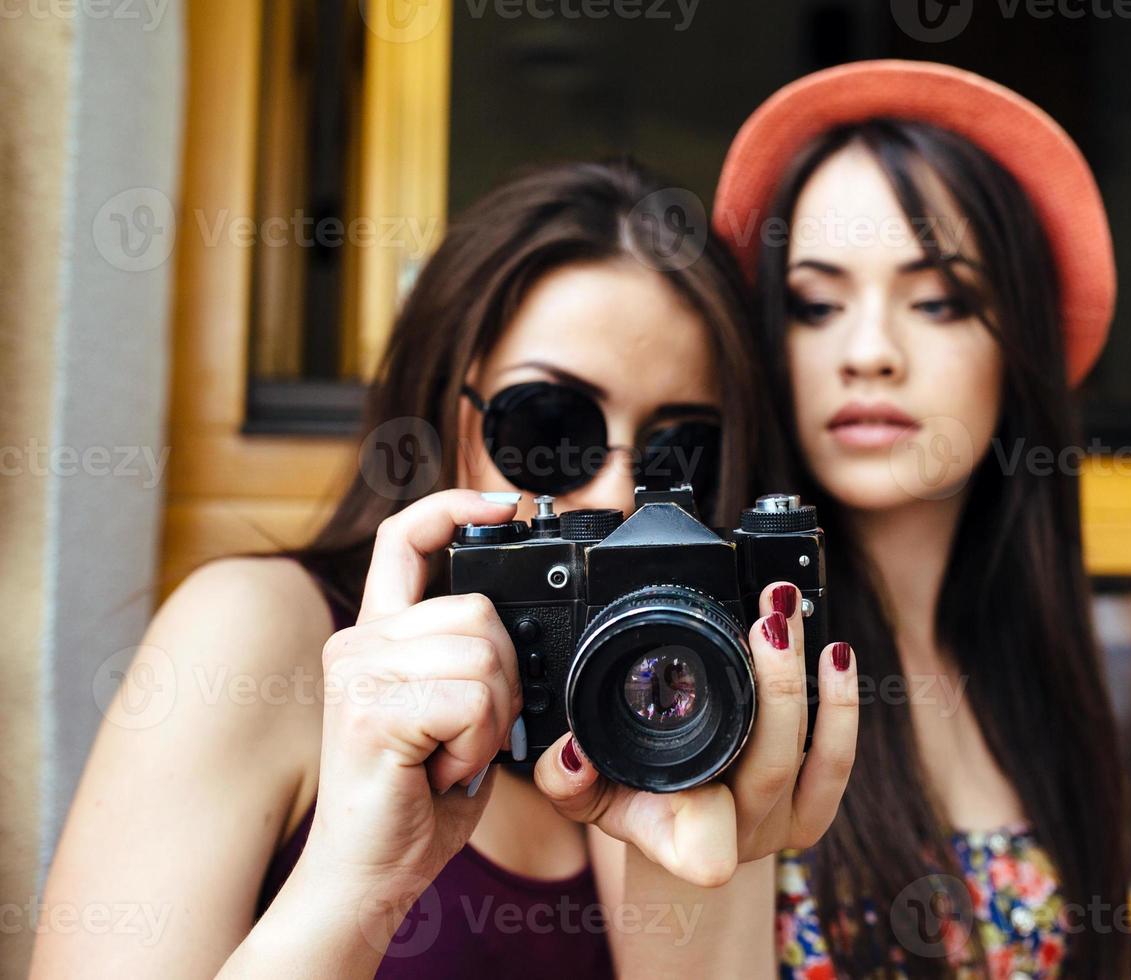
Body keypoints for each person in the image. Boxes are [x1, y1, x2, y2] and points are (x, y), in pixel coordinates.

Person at [32, 160, 859, 978]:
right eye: (547, 429)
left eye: (678, 455)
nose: (613, 491)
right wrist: (359, 882)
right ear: (439, 402)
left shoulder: (699, 714)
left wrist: (700, 840)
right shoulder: (257, 631)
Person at [609, 61, 1131, 978]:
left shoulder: (1041, 668)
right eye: (815, 305)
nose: (869, 353)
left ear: (1022, 349)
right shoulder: (706, 668)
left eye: (938, 300)